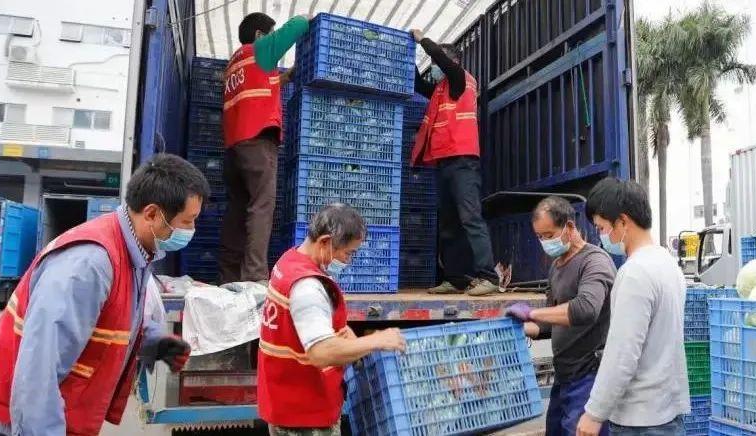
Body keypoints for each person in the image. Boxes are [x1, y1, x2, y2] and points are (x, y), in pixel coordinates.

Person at [0, 153, 208, 435]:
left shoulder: (134, 252)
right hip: (15, 422)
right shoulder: (89, 264)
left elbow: (114, 318)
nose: (191, 230)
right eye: (187, 221)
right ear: (151, 214)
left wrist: (152, 342)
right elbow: (38, 374)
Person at [258, 203, 406, 436]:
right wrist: (376, 340)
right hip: (306, 415)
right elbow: (321, 353)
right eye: (348, 253)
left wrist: (341, 333)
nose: (348, 261)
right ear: (325, 242)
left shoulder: (289, 261)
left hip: (284, 404)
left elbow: (301, 324)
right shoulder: (308, 287)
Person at [577, 178, 690, 436]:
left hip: (639, 420)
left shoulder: (634, 273)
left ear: (623, 222)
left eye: (602, 227)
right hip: (667, 413)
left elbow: (622, 354)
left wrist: (594, 413)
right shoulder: (668, 264)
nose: (601, 236)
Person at [505, 196, 616, 436]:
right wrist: (517, 328)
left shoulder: (594, 261)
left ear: (569, 226)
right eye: (540, 237)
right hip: (564, 376)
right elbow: (548, 324)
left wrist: (532, 312)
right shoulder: (556, 267)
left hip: (589, 376)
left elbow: (586, 309)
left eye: (549, 235)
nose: (545, 242)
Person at [409, 29, 499, 297]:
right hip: (444, 162)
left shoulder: (461, 80)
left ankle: (488, 276)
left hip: (463, 161)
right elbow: (417, 85)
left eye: (437, 64)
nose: (435, 68)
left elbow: (441, 58)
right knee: (448, 223)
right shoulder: (440, 90)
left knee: (470, 218)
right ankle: (455, 279)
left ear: (453, 62)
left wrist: (422, 40)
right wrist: (405, 54)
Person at [219, 12, 308, 284]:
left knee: (237, 211)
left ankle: (228, 277)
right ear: (260, 35)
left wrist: (285, 78)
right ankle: (255, 276)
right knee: (261, 207)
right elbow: (297, 26)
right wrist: (306, 17)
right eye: (270, 34)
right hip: (257, 140)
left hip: (234, 147)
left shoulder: (234, 64)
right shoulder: (259, 50)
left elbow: (260, 85)